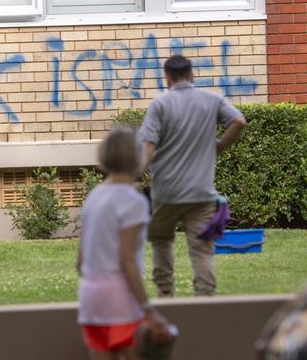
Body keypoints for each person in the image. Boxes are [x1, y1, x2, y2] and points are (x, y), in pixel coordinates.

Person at [139, 55, 247, 298]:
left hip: (165, 193)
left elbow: (148, 145)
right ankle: (205, 302)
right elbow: (239, 121)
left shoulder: (160, 105)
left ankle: (166, 295)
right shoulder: (212, 100)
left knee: (162, 243)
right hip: (201, 193)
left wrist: (136, 175)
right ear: (192, 75)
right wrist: (219, 145)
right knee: (201, 251)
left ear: (166, 78)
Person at [77, 127, 171, 360]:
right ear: (136, 156)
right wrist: (149, 310)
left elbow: (80, 262)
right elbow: (127, 260)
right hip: (120, 302)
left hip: (90, 301)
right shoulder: (132, 201)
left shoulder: (94, 196)